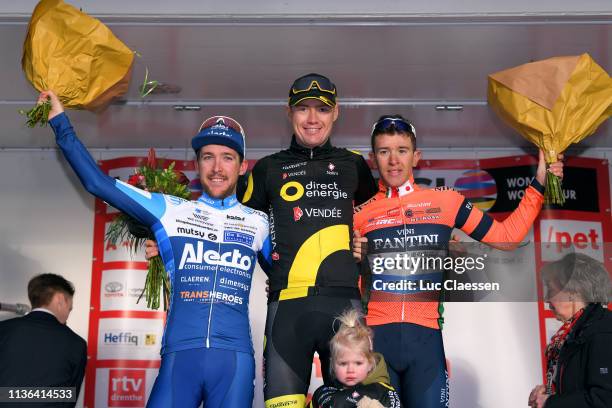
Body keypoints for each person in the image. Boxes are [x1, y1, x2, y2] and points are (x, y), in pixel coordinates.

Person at [41, 90, 271, 408]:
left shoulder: (258, 222)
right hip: (180, 356)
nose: (217, 167)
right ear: (197, 163)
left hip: (234, 360)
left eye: (228, 157)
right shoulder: (170, 209)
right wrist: (60, 123)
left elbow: (287, 275)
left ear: (243, 166)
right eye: (208, 156)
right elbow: (97, 183)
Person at [353, 115, 564, 408]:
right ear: (372, 159)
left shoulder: (446, 202)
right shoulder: (359, 216)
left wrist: (540, 181)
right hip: (376, 344)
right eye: (384, 151)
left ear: (417, 157)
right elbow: (346, 284)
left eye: (402, 150)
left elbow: (507, 236)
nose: (393, 160)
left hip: (425, 343)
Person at [237, 73, 378, 407]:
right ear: (290, 113)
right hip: (288, 308)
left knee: (353, 405)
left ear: (336, 112)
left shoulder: (354, 165)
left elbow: (380, 220)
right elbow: (237, 225)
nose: (313, 119)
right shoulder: (267, 169)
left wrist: (368, 247)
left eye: (322, 109)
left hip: (345, 308)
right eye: (303, 109)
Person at [528, 253, 612, 408]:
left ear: (573, 293)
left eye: (551, 290)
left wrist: (550, 402)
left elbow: (604, 399)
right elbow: (580, 389)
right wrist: (549, 394)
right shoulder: (577, 330)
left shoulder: (603, 332)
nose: (547, 298)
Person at [0, 273, 87, 406]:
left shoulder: (4, 330)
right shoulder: (76, 344)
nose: (67, 315)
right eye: (69, 309)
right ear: (60, 299)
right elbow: (68, 401)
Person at [309, 309, 401, 408]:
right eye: (343, 363)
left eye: (358, 363)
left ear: (370, 364)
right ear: (333, 365)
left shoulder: (383, 394)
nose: (350, 370)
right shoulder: (322, 394)